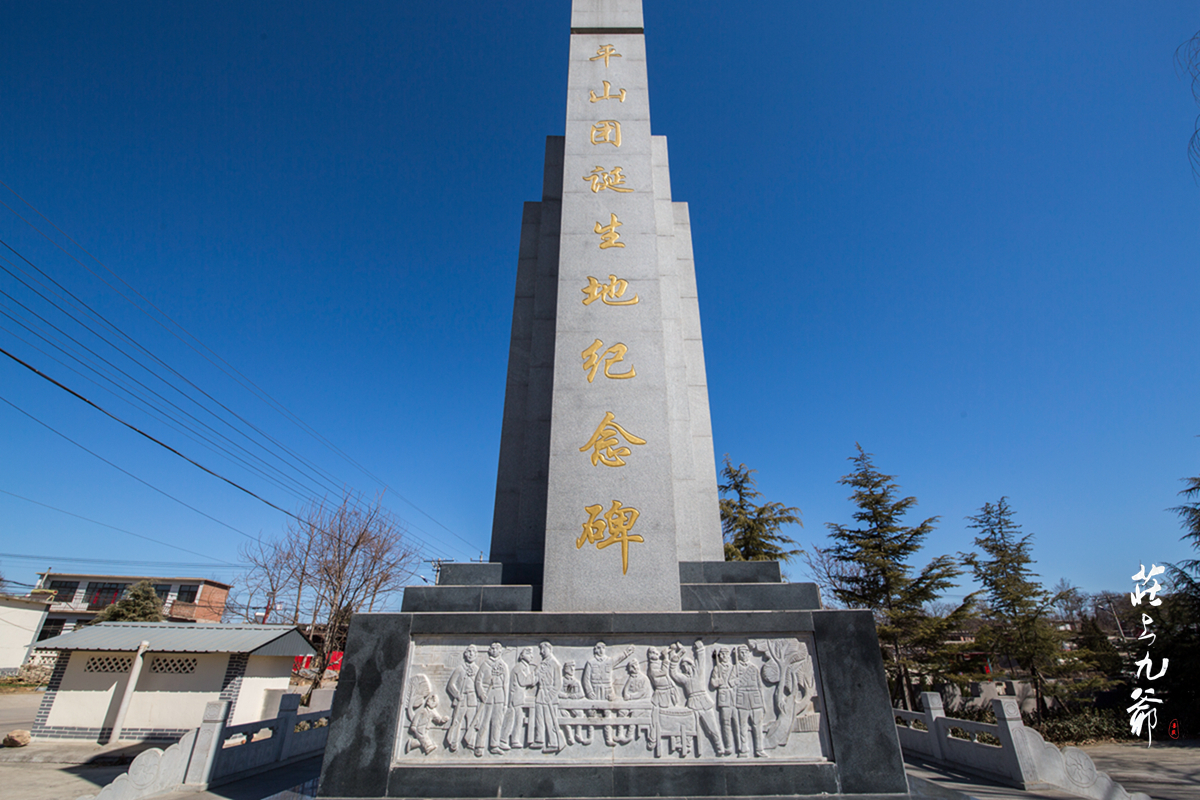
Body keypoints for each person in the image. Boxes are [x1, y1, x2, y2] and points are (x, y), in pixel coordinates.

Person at [472, 642, 509, 756]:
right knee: (484, 720)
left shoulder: (504, 666)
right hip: (487, 695)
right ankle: (479, 745)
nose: (493, 650)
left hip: (499, 695)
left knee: (497, 721)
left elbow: (506, 684)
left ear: (500, 651)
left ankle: (494, 745)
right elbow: (478, 681)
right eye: (491, 648)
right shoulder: (485, 664)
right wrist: (481, 693)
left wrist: (505, 703)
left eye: (496, 649)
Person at [445, 644, 478, 752]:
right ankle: (453, 742)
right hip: (461, 698)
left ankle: (471, 742)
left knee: (471, 722)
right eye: (468, 652)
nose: (471, 654)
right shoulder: (460, 668)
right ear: (465, 654)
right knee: (456, 721)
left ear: (476, 655)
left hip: (472, 699)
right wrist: (457, 694)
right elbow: (451, 685)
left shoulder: (478, 670)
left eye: (473, 652)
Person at [533, 642, 563, 752]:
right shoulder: (541, 664)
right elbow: (534, 679)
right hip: (541, 693)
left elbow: (558, 684)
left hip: (550, 696)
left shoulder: (555, 664)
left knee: (550, 721)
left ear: (549, 649)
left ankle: (554, 743)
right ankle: (539, 740)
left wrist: (549, 696)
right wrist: (535, 675)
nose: (541, 652)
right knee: (539, 719)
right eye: (540, 649)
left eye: (543, 649)